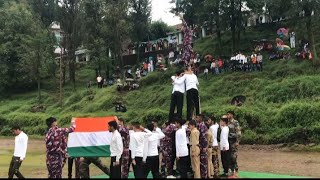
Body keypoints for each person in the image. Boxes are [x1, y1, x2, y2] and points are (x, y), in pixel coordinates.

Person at [227, 111, 241, 178]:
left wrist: (237, 142)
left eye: (228, 114)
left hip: (233, 141)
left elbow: (238, 133)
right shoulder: (227, 122)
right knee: (229, 157)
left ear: (232, 115)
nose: (227, 115)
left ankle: (236, 170)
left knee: (234, 157)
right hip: (228, 141)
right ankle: (231, 171)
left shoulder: (235, 122)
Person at [196, 114, 208, 178]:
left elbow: (204, 137)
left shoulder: (202, 125)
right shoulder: (199, 125)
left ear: (200, 118)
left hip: (202, 147)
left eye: (197, 117)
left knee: (203, 163)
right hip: (200, 146)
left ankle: (204, 176)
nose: (196, 119)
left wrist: (203, 146)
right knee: (201, 163)